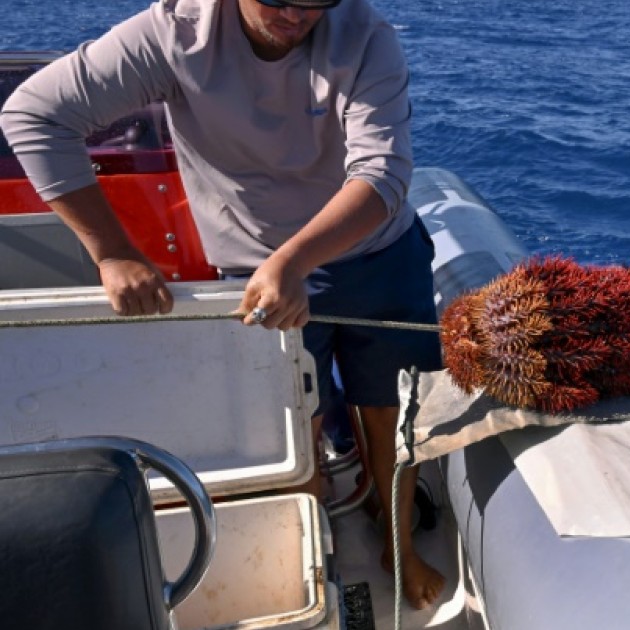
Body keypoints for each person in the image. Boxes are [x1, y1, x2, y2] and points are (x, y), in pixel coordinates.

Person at [0, 0, 445, 610]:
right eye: (279, 1)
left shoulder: (367, 37)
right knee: (296, 423)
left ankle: (396, 538)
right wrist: (111, 253)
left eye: (318, 3)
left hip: (375, 252)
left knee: (391, 409)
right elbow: (34, 113)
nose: (297, 16)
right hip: (254, 265)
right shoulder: (171, 34)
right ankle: (319, 548)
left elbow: (384, 175)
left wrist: (297, 260)